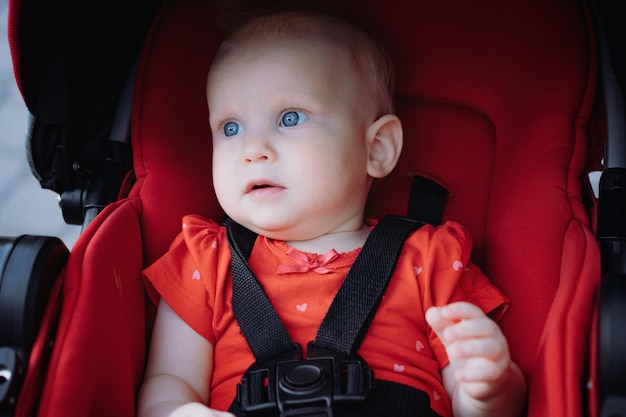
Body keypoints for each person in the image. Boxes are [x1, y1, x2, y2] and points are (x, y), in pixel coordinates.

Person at [137, 10, 527, 417]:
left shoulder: (432, 259)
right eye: (230, 127)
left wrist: (489, 388)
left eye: (290, 118)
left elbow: (486, 406)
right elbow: (169, 382)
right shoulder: (206, 261)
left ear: (376, 148)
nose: (252, 150)